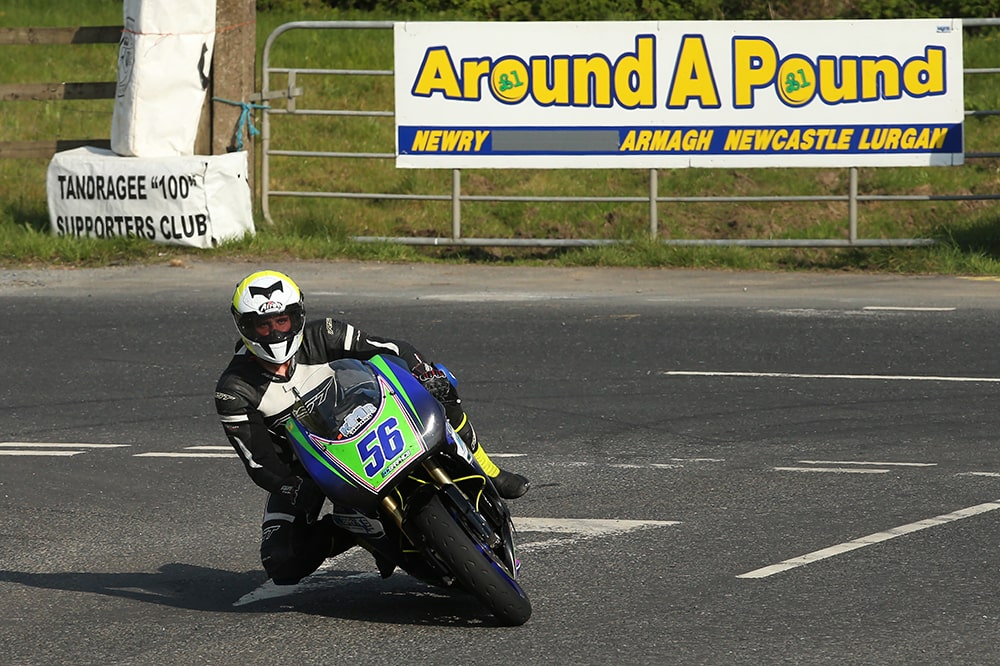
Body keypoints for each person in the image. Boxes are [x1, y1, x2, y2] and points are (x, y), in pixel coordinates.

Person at [214, 269, 529, 586]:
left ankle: (488, 470)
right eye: (263, 325)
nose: (274, 332)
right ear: (245, 327)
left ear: (297, 316)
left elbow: (396, 350)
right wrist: (288, 485)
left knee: (441, 386)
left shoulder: (325, 333)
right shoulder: (234, 390)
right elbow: (259, 461)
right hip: (311, 469)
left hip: (367, 416)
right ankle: (357, 529)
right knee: (281, 562)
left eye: (281, 321)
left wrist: (423, 373)